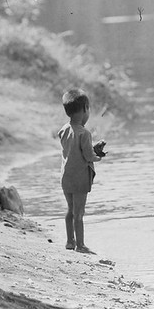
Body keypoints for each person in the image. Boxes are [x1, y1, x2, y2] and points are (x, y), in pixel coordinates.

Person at [57, 88, 105, 254]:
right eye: (89, 109)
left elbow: (73, 151)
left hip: (66, 177)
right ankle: (81, 245)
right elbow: (88, 156)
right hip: (79, 178)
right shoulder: (84, 133)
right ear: (85, 109)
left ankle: (70, 241)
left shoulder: (64, 130)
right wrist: (98, 156)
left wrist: (90, 151)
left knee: (70, 210)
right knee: (79, 213)